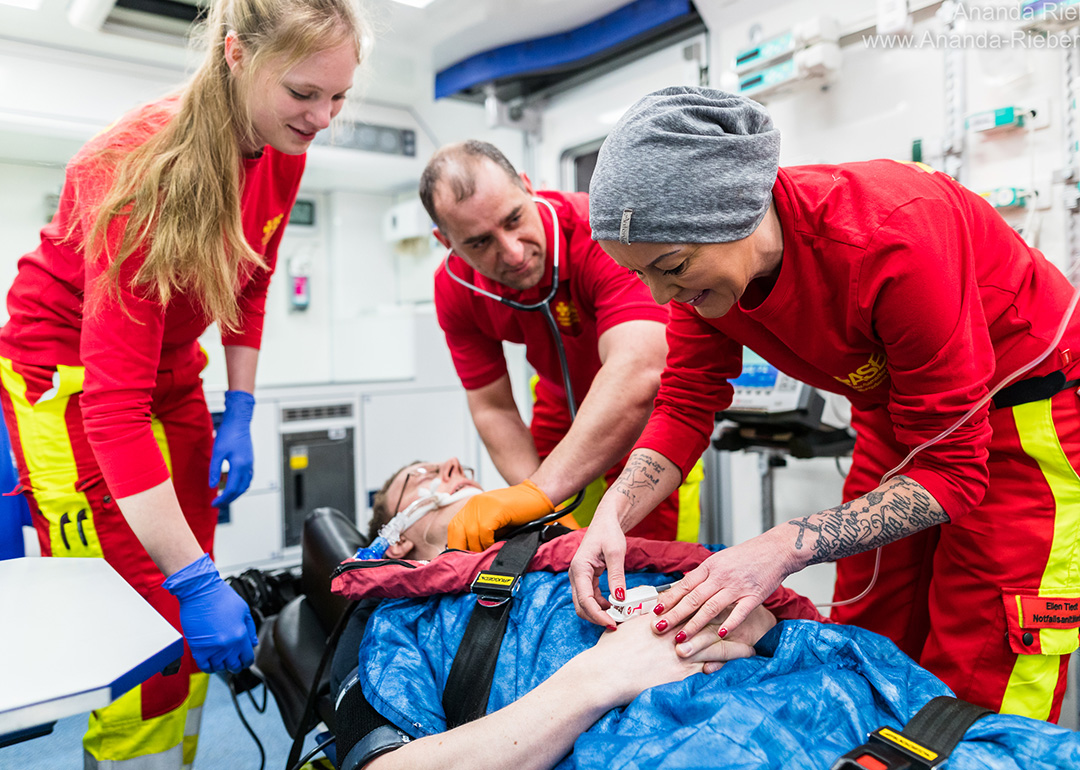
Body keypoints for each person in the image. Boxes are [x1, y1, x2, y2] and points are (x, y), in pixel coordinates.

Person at [570, 86, 1080, 723]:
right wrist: (614, 512)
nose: (663, 292)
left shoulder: (890, 236)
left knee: (982, 656)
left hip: (1023, 419)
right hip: (894, 419)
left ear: (737, 211)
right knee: (871, 628)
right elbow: (687, 398)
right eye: (639, 274)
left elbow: (954, 470)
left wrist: (783, 547)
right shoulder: (700, 286)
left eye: (672, 267)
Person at [0, 0, 366, 765]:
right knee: (147, 601)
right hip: (65, 379)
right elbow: (113, 406)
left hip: (170, 371)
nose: (324, 117)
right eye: (305, 93)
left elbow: (253, 280)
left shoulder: (282, 146)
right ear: (235, 54)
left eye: (339, 96)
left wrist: (239, 406)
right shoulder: (141, 171)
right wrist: (194, 582)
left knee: (188, 585)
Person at [324, 458, 1080, 770]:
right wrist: (597, 678)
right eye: (423, 480)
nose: (455, 475)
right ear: (395, 547)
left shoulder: (618, 550)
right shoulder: (404, 618)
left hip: (811, 692)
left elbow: (800, 631)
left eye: (462, 467)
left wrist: (757, 630)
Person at [419, 141, 702, 554]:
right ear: (446, 242)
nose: (512, 251)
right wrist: (539, 502)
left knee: (646, 568)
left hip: (649, 410)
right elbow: (492, 406)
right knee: (556, 553)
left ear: (529, 187)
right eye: (480, 243)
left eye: (515, 218)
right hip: (557, 406)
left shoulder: (600, 234)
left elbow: (640, 367)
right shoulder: (455, 289)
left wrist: (540, 490)